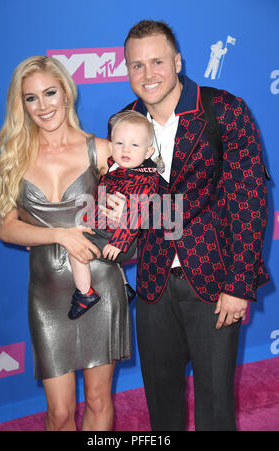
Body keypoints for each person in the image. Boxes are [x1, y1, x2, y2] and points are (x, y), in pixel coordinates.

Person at [107, 20, 270, 431]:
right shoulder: (123, 125)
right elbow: (125, 205)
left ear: (177, 61)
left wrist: (238, 285)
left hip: (215, 282)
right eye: (136, 65)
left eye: (157, 61)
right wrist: (114, 218)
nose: (147, 75)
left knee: (215, 408)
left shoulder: (223, 109)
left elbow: (249, 202)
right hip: (153, 284)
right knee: (162, 406)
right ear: (127, 69)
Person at [0, 55, 131, 431]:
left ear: (66, 93)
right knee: (59, 412)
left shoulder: (101, 150)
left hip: (99, 287)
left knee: (100, 400)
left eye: (50, 93)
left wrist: (122, 216)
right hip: (48, 295)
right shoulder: (12, 158)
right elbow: (7, 229)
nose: (43, 106)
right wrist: (58, 233)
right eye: (31, 98)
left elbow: (134, 220)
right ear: (21, 105)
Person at [68, 110, 158, 320]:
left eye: (134, 145)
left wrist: (118, 242)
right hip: (108, 231)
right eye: (119, 144)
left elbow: (134, 216)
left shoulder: (143, 181)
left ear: (148, 152)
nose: (125, 149)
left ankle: (84, 294)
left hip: (120, 239)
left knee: (75, 249)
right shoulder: (118, 168)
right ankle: (125, 287)